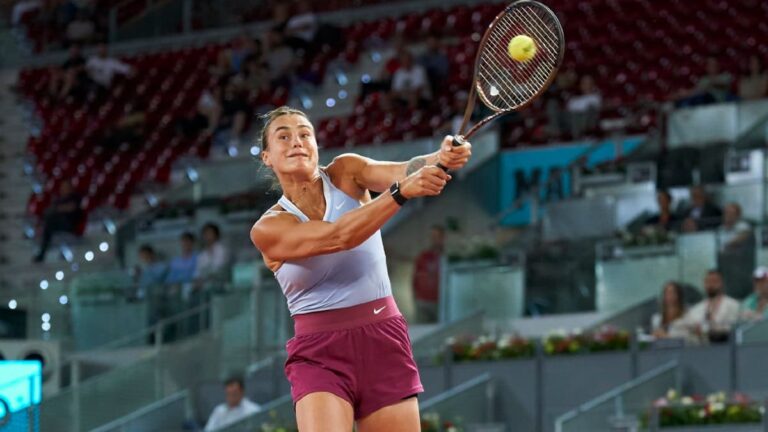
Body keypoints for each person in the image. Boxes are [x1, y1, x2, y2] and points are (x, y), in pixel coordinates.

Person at [249, 106, 471, 430]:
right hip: (319, 351)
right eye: (284, 136)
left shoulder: (346, 171)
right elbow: (340, 236)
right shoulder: (268, 228)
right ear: (267, 157)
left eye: (304, 134)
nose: (297, 141)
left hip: (383, 336)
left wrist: (440, 157)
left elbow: (401, 170)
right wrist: (402, 192)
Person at [680, 270, 740, 344]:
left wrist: (711, 328)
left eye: (714, 281)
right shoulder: (697, 309)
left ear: (721, 283)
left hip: (724, 347)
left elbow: (732, 329)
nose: (711, 285)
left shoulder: (732, 305)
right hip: (701, 349)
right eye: (708, 282)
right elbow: (686, 326)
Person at [34, 180, 82, 262]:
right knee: (48, 223)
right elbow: (52, 210)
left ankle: (42, 252)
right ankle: (42, 250)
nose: (63, 189)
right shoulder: (58, 199)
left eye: (66, 187)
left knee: (49, 223)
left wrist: (59, 209)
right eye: (63, 187)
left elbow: (70, 208)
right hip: (56, 223)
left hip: (69, 224)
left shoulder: (75, 197)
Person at [412, 225, 445, 323]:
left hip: (441, 301)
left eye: (437, 237)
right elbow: (415, 278)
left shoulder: (447, 257)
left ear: (443, 238)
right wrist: (416, 296)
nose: (434, 240)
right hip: (423, 302)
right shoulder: (423, 256)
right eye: (432, 237)